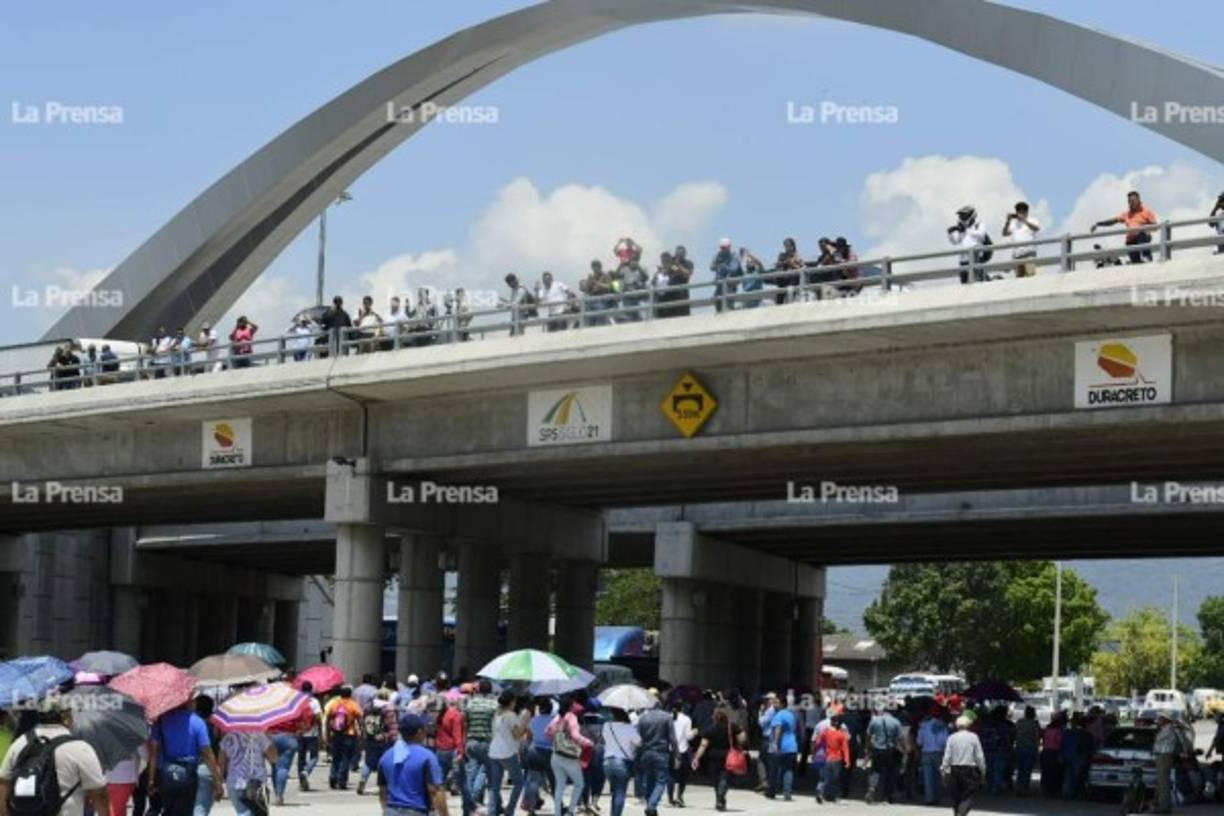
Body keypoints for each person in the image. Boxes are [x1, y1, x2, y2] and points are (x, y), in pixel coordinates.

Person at [0, 697, 109, 816]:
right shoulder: (80, 748)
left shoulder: (20, 743)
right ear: (66, 718)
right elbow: (99, 793)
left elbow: (3, 784)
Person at [147, 701, 224, 816]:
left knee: (169, 811)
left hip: (167, 775)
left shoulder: (161, 721)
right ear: (189, 703)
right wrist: (217, 781)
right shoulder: (197, 722)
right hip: (188, 776)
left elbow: (153, 751)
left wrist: (151, 779)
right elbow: (207, 754)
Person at [379, 712, 449, 816]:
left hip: (391, 810)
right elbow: (435, 791)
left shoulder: (386, 756)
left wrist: (386, 811)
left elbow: (383, 791)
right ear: (419, 732)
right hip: (416, 811)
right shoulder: (427, 756)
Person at [691, 706, 746, 812]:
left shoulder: (710, 729)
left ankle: (719, 799)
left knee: (716, 780)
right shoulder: (733, 727)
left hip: (712, 757)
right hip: (728, 757)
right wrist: (738, 744)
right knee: (724, 778)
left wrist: (696, 758)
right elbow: (742, 739)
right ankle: (721, 797)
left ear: (714, 717)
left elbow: (703, 745)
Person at [546, 694, 593, 816]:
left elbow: (547, 732)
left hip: (556, 755)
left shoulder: (558, 717)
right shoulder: (571, 717)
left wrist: (559, 738)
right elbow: (576, 736)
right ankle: (570, 811)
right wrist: (589, 742)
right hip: (569, 757)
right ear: (571, 705)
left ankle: (557, 813)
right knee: (579, 784)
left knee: (560, 785)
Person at [217, 728, 276, 816]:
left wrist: (218, 783)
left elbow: (221, 763)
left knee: (242, 813)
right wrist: (269, 739)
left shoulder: (228, 738)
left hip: (235, 782)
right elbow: (274, 758)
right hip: (257, 783)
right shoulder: (260, 736)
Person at [487, 691, 526, 816]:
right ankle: (510, 811)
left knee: (495, 786)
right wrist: (524, 724)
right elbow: (517, 735)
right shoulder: (511, 715)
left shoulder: (496, 714)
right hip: (508, 752)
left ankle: (492, 812)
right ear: (511, 702)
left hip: (494, 752)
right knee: (519, 783)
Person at [462, 679, 498, 816]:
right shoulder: (494, 704)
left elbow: (465, 723)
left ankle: (467, 809)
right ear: (490, 690)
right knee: (492, 779)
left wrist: (464, 742)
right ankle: (492, 811)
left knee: (470, 776)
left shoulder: (470, 704)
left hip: (471, 742)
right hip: (488, 743)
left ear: (478, 690)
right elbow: (496, 726)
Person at [635, 698, 676, 816]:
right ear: (660, 704)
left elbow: (637, 739)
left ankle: (650, 805)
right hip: (661, 753)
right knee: (661, 781)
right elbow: (672, 738)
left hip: (646, 753)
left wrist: (636, 755)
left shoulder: (642, 718)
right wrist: (677, 754)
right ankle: (651, 805)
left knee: (649, 780)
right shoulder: (667, 717)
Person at [1093, 190, 1158, 264]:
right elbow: (1113, 221)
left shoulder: (1147, 212)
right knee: (1136, 263)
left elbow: (1155, 226)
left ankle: (1147, 257)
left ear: (1138, 200)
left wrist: (1146, 230)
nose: (1131, 203)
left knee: (1141, 233)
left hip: (1142, 237)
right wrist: (1098, 224)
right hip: (1131, 240)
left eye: (1133, 200)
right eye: (1129, 201)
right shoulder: (1127, 214)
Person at [358, 687, 399, 796]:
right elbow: (392, 725)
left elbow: (362, 722)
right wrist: (393, 738)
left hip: (370, 738)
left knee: (369, 762)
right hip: (384, 739)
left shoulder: (368, 707)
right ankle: (386, 785)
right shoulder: (389, 708)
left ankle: (363, 779)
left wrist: (364, 736)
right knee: (386, 762)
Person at [942, 715, 985, 816]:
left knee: (956, 797)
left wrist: (944, 768)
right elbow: (979, 756)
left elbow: (947, 755)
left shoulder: (951, 738)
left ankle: (958, 813)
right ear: (969, 725)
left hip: (954, 769)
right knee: (968, 796)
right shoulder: (974, 737)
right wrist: (983, 770)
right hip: (969, 769)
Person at [322, 686, 363, 791]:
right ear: (350, 694)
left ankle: (332, 776)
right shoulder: (353, 704)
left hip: (336, 734)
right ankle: (341, 781)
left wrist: (327, 735)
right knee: (346, 758)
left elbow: (327, 720)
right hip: (349, 734)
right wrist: (361, 734)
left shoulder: (334, 704)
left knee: (336, 757)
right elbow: (360, 719)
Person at [601, 707, 640, 816]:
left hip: (607, 763)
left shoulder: (606, 726)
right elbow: (639, 743)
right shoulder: (629, 728)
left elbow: (604, 739)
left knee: (615, 791)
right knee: (620, 792)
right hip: (622, 763)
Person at [1152, 713, 1189, 814]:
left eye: (1160, 719)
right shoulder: (1163, 729)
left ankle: (1164, 807)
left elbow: (1183, 739)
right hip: (1160, 755)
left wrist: (1184, 751)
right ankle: (1159, 804)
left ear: (1165, 720)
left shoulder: (1172, 729)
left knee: (1163, 782)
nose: (1158, 721)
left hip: (1165, 755)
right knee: (1160, 781)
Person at [522, 698, 553, 814]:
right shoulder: (554, 720)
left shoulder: (533, 720)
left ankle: (530, 808)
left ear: (539, 710)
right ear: (550, 710)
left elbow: (529, 737)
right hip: (548, 752)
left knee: (533, 780)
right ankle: (559, 806)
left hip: (533, 750)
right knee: (554, 780)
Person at [866, 705, 902, 804]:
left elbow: (868, 735)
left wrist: (868, 748)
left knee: (875, 771)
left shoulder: (875, 721)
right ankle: (886, 797)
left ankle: (872, 789)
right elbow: (900, 738)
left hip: (877, 750)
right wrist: (903, 748)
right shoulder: (896, 722)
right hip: (890, 751)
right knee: (889, 773)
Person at [948, 206, 992, 284]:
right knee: (964, 283)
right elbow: (955, 242)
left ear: (971, 215)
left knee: (977, 282)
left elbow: (981, 234)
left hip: (976, 257)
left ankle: (987, 279)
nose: (962, 217)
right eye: (961, 215)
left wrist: (966, 230)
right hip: (963, 259)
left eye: (964, 215)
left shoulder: (978, 225)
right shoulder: (962, 230)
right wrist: (950, 234)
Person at [768, 693, 799, 801]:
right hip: (792, 746)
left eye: (776, 702)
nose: (774, 704)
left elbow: (778, 729)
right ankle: (787, 793)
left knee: (774, 770)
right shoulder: (791, 714)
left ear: (782, 704)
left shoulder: (779, 715)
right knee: (788, 770)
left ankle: (771, 792)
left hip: (781, 747)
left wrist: (776, 744)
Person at [813, 713, 849, 804]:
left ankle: (819, 791)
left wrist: (816, 755)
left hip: (826, 758)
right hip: (837, 759)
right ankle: (834, 797)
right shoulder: (841, 735)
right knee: (835, 779)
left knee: (823, 778)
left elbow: (817, 743)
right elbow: (845, 748)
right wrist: (847, 761)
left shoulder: (825, 732)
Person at [1002, 201, 1041, 277]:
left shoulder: (1032, 220)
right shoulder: (1013, 223)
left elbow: (1036, 228)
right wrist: (1007, 222)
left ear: (1026, 211)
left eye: (1021, 211)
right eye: (1018, 211)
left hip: (1029, 254)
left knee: (1030, 276)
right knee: (1019, 281)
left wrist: (1024, 220)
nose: (1019, 213)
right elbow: (1004, 233)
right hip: (1017, 255)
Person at [296, 681, 322, 791]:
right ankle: (306, 771)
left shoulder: (297, 701)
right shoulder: (314, 701)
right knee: (314, 756)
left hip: (299, 732)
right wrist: (320, 731)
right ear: (311, 689)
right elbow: (318, 717)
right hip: (312, 733)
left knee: (301, 757)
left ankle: (301, 781)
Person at [667, 702, 693, 807]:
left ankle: (670, 798)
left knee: (671, 774)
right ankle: (679, 796)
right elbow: (688, 737)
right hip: (682, 750)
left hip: (670, 750)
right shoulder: (687, 719)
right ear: (682, 708)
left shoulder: (668, 717)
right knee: (683, 776)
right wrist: (694, 732)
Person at [1012, 705, 1040, 795]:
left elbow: (1014, 733)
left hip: (1019, 747)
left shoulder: (1019, 722)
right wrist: (1037, 749)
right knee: (1027, 769)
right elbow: (1036, 737)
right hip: (1030, 747)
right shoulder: (1033, 724)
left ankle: (1019, 787)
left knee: (1020, 769)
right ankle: (1024, 788)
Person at [710, 238, 742, 312]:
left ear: (729, 247)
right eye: (721, 247)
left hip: (730, 284)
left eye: (724, 247)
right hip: (719, 283)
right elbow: (711, 267)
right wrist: (717, 265)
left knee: (729, 304)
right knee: (717, 302)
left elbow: (734, 269)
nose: (722, 249)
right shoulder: (717, 255)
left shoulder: (734, 256)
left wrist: (724, 266)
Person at [773, 238, 805, 304]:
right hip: (783, 279)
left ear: (793, 246)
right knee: (779, 297)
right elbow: (778, 265)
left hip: (793, 279)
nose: (787, 248)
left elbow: (803, 267)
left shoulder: (797, 257)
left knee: (791, 294)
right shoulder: (782, 255)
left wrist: (792, 264)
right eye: (785, 246)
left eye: (788, 245)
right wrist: (783, 263)